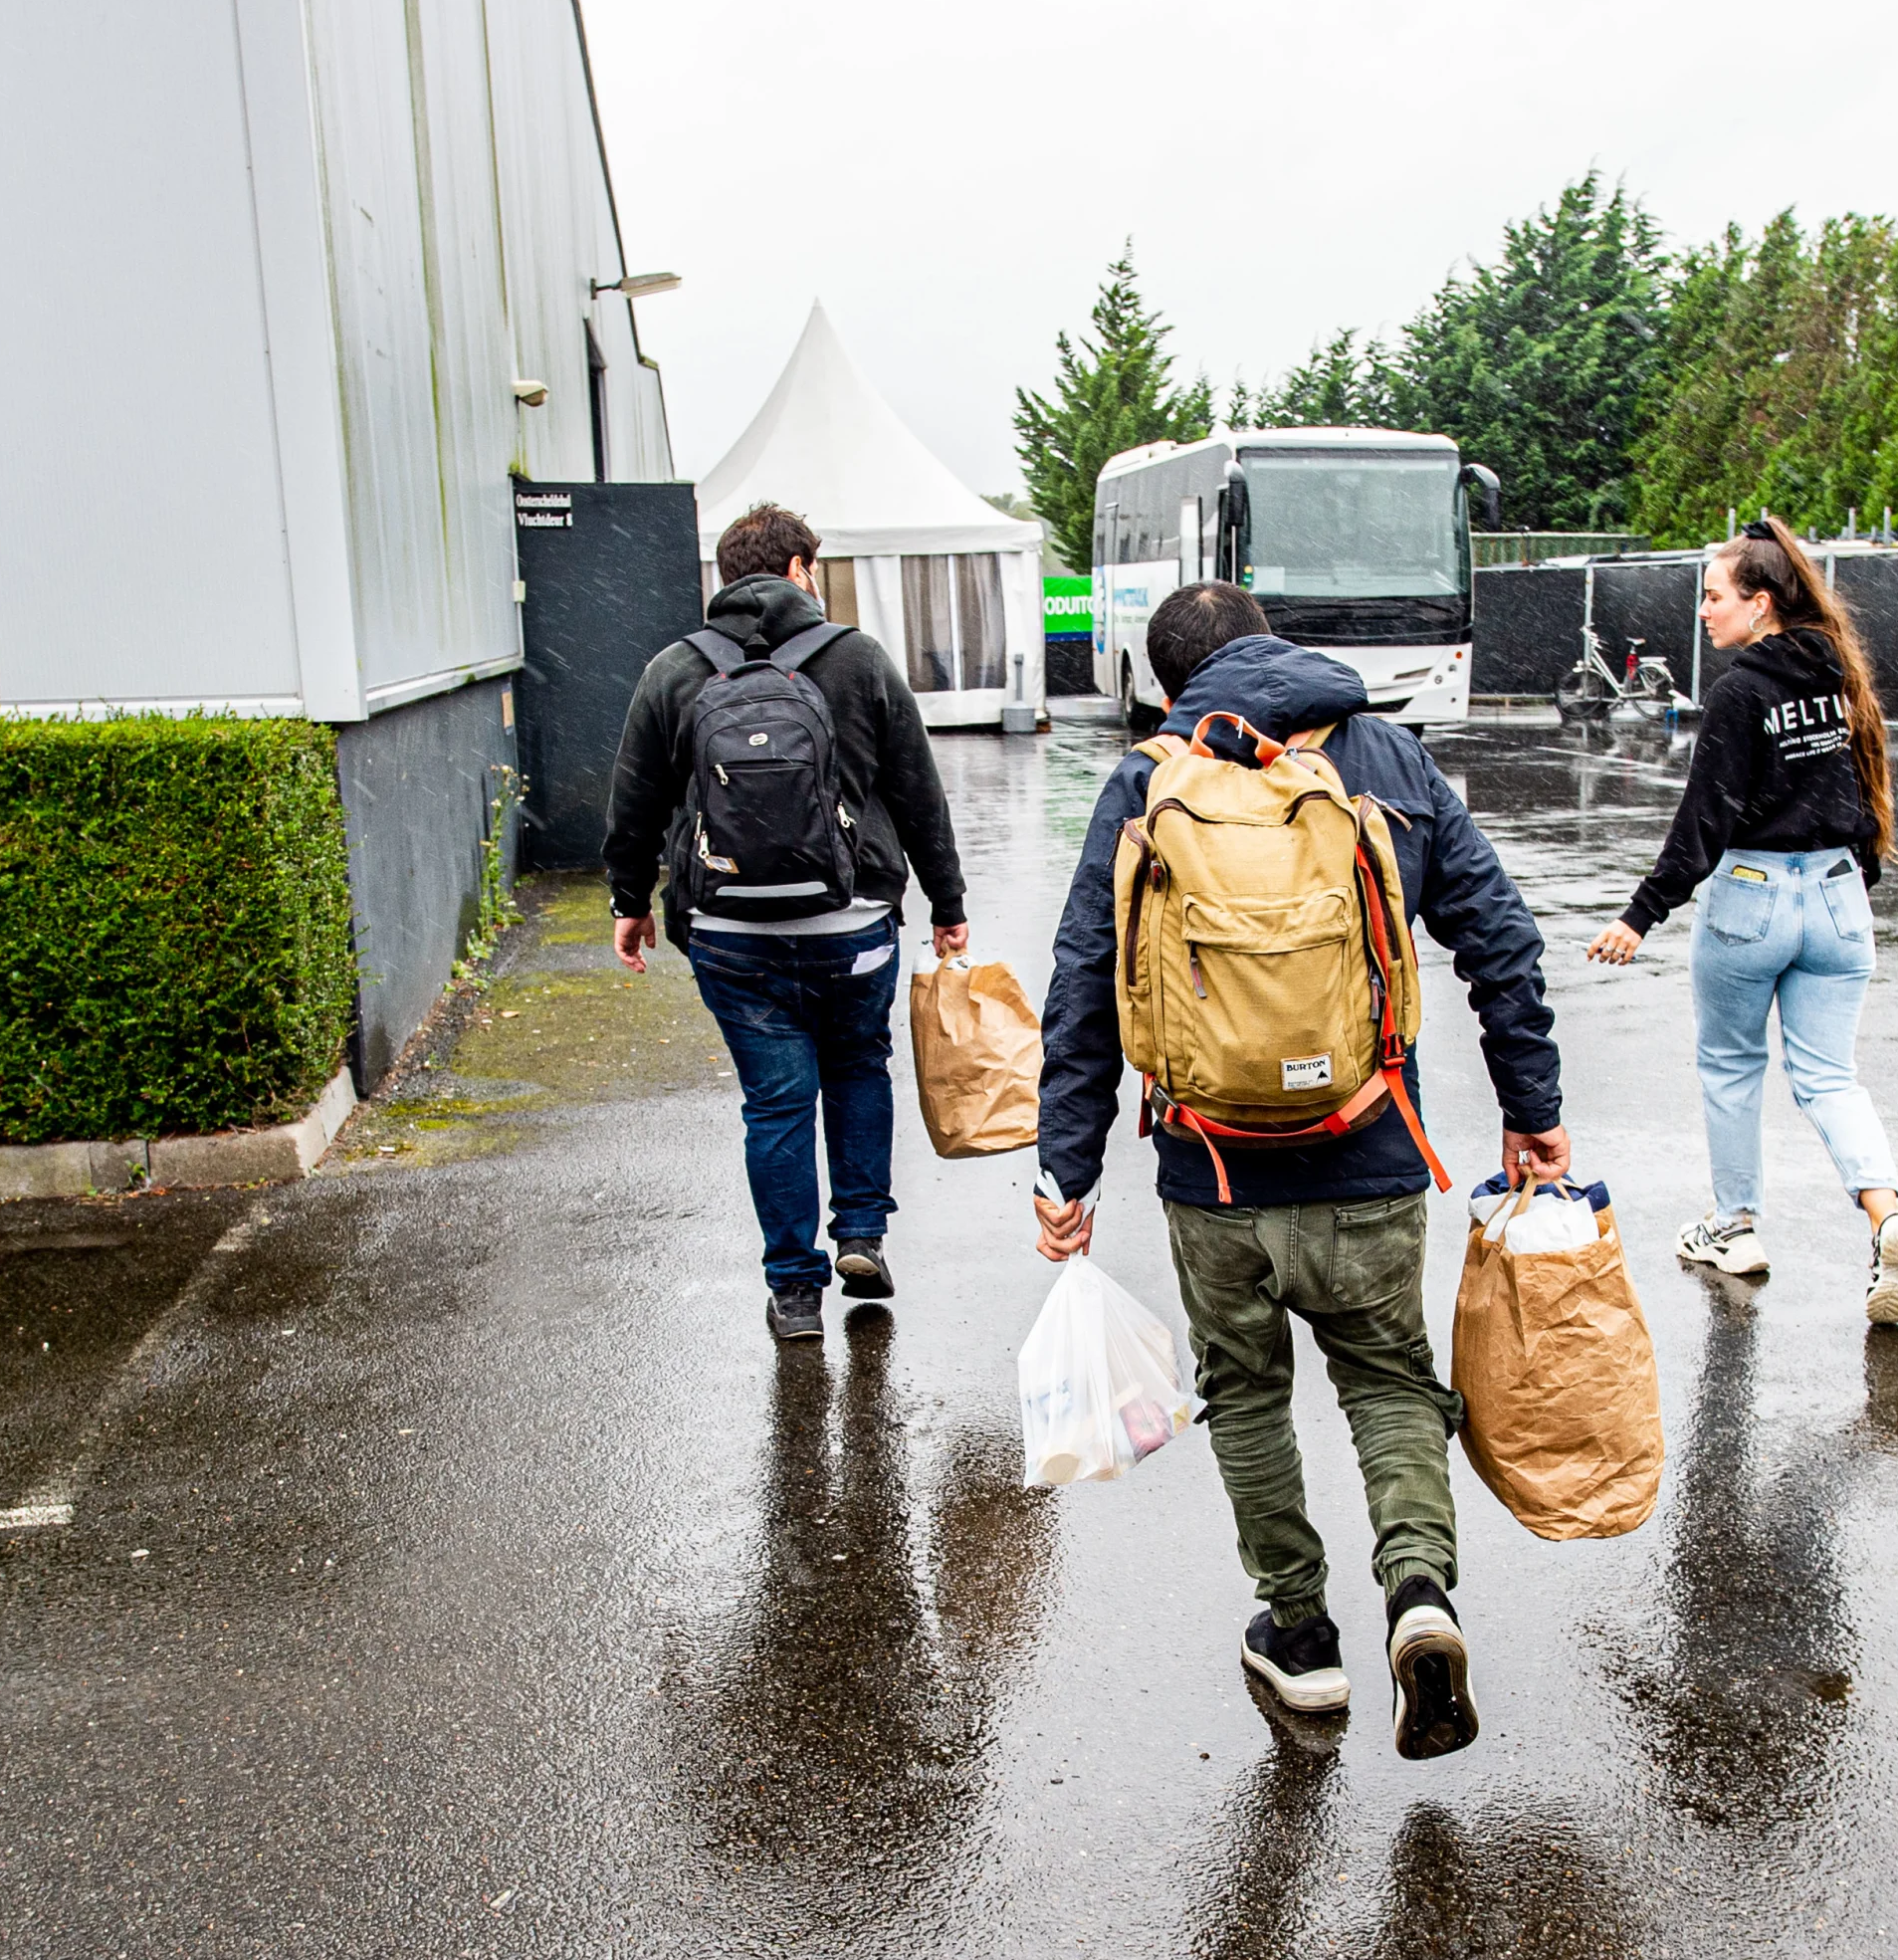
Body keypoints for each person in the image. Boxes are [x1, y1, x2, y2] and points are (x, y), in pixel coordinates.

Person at [1034, 581, 1567, 1760]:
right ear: (1276, 642)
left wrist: (1065, 1172)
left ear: (1172, 688)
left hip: (1213, 1174)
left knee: (1249, 1393)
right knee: (1387, 1380)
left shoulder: (1150, 782)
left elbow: (1084, 985)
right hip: (1369, 1149)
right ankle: (1420, 1594)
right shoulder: (1389, 757)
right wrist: (1534, 1110)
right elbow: (1501, 937)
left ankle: (1303, 1635)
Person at [606, 503, 968, 1344]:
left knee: (775, 1103)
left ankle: (793, 1289)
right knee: (856, 1068)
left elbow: (633, 805)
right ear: (802, 569)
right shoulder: (859, 661)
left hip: (729, 930)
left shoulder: (674, 669)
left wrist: (630, 904)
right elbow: (918, 795)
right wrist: (947, 908)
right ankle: (863, 1235)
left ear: (726, 578)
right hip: (853, 926)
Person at [1583, 519, 1898, 1325]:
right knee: (1829, 1076)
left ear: (1762, 604)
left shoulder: (1742, 692)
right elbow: (1857, 781)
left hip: (1753, 896)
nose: (1704, 612)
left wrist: (1642, 914)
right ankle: (1889, 1218)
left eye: (1714, 597)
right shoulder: (1839, 672)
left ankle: (1735, 1229)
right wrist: (1854, 879)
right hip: (1841, 894)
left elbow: (1706, 819)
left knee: (1733, 1066)